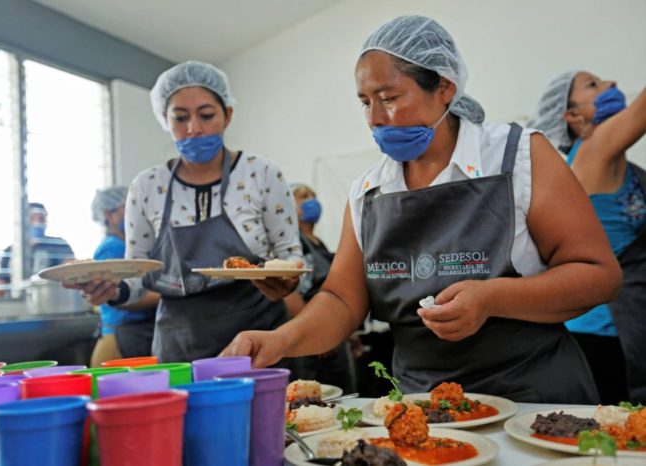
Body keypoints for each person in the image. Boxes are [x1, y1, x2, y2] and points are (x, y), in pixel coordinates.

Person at [221, 15, 623, 404]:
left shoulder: (517, 155)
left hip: (533, 400)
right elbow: (342, 301)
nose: (375, 119)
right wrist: (282, 340)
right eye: (365, 102)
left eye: (389, 98)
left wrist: (493, 298)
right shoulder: (368, 193)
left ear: (445, 86)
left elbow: (597, 275)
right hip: (422, 409)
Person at [73, 61, 303, 366]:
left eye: (206, 115)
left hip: (258, 343)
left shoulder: (260, 174)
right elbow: (137, 278)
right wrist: (110, 290)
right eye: (180, 118)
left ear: (228, 115)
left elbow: (290, 258)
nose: (193, 128)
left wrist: (288, 280)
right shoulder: (147, 186)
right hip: (180, 348)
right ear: (165, 120)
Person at [531, 74, 646, 403]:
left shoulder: (615, 159)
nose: (610, 82)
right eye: (593, 85)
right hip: (603, 331)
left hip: (620, 325)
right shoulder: (593, 150)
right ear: (572, 116)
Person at [286, 183, 355, 393]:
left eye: (313, 196)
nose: (312, 201)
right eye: (304, 196)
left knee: (344, 396)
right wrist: (315, 334)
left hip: (334, 335)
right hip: (311, 341)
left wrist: (349, 335)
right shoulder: (291, 244)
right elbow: (289, 294)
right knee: (315, 398)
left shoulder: (318, 243)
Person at [89, 187, 156, 367]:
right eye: (127, 208)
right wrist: (166, 294)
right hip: (117, 341)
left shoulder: (131, 246)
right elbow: (120, 296)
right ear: (108, 215)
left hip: (135, 334)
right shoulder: (111, 248)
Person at [0, 202, 74, 298]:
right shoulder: (10, 251)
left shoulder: (59, 245)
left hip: (52, 302)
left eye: (41, 218)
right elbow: (0, 287)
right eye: (32, 218)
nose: (37, 222)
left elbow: (71, 271)